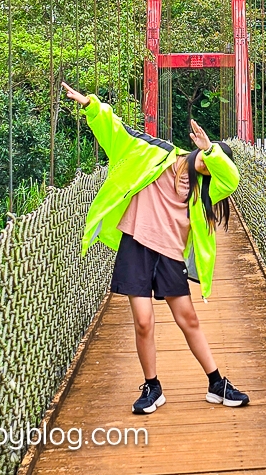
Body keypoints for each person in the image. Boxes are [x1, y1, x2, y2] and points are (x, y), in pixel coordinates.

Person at [61, 82, 250, 415]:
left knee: (187, 318)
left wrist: (212, 152)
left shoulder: (209, 188)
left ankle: (217, 383)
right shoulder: (154, 153)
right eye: (203, 156)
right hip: (136, 244)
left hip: (169, 254)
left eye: (211, 160)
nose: (206, 164)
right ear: (192, 150)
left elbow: (231, 177)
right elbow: (117, 132)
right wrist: (92, 105)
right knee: (143, 322)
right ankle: (153, 386)